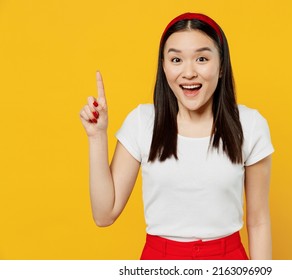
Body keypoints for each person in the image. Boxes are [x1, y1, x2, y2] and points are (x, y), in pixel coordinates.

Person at [79, 12, 274, 260]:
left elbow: (258, 222)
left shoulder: (250, 125)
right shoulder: (142, 122)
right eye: (176, 59)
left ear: (222, 65)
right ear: (163, 66)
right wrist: (97, 137)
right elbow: (104, 214)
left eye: (202, 58)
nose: (189, 72)